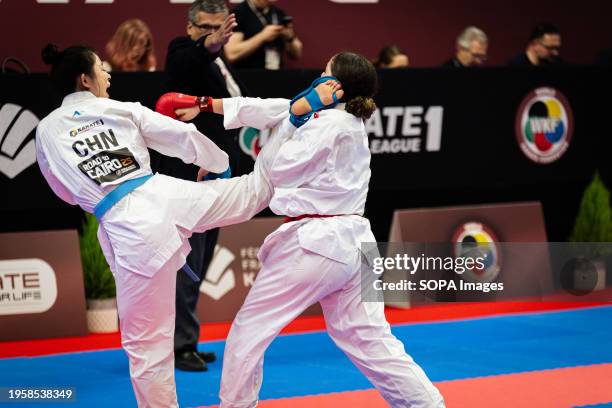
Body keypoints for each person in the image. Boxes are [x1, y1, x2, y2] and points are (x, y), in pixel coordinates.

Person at [181, 52, 446, 408]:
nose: (317, 75)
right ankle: (427, 404)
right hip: (357, 244)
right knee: (370, 337)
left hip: (318, 243)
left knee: (249, 331)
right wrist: (209, 104)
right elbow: (265, 108)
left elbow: (277, 171)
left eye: (324, 72)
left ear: (334, 87)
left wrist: (293, 119)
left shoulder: (326, 124)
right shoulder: (343, 121)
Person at [36, 42, 289, 408]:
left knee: (147, 346)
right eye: (101, 69)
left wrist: (94, 192)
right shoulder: (120, 109)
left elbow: (62, 189)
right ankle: (296, 127)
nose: (108, 74)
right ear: (85, 79)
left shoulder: (46, 131)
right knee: (250, 192)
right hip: (162, 194)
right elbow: (181, 137)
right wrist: (217, 164)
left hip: (127, 224)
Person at [160, 0, 247, 373]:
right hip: (189, 178)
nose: (216, 35)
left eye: (219, 28)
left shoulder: (220, 63)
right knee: (188, 265)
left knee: (202, 259)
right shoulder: (182, 52)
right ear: (191, 27)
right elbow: (188, 61)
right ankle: (180, 347)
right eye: (207, 28)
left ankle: (186, 340)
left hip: (217, 179)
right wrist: (210, 45)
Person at [224, 0, 302, 69]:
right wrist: (262, 36)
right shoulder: (239, 13)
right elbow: (231, 54)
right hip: (249, 76)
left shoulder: (278, 13)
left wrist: (290, 37)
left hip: (276, 74)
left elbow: (297, 53)